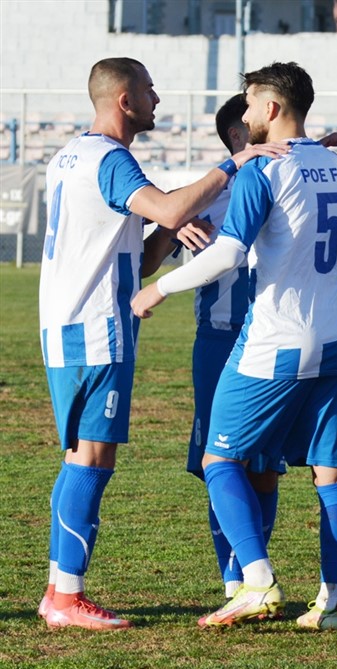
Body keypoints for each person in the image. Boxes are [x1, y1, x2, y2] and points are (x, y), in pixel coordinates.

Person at [37, 56, 283, 631]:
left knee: (82, 457)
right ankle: (66, 596)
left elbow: (143, 256)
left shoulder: (71, 155)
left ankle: (59, 590)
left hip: (70, 322)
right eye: (149, 89)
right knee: (91, 458)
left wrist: (172, 229)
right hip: (95, 324)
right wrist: (233, 164)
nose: (157, 99)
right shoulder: (110, 158)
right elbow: (170, 206)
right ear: (125, 100)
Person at [132, 61, 337, 628]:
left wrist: (157, 289)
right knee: (333, 475)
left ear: (271, 107)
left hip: (276, 340)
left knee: (219, 459)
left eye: (248, 104)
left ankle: (257, 581)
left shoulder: (263, 170)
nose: (243, 114)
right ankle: (334, 602)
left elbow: (227, 254)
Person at [139, 94, 286, 608]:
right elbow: (146, 264)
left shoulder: (283, 182)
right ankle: (235, 581)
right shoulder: (205, 193)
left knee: (264, 466)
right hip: (219, 341)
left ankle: (249, 573)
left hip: (272, 337)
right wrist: (171, 226)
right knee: (218, 461)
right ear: (238, 137)